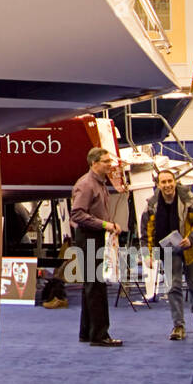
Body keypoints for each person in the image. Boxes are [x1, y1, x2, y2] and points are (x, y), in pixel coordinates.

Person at [141, 169, 193, 339]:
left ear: (175, 181)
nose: (167, 185)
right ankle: (178, 326)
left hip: (191, 248)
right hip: (168, 250)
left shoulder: (190, 199)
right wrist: (147, 254)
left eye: (170, 181)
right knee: (173, 287)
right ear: (158, 184)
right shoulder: (152, 204)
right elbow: (145, 232)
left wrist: (191, 239)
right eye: (163, 182)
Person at [69, 147, 123, 347]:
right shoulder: (86, 184)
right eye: (106, 161)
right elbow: (77, 214)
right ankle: (100, 335)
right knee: (96, 287)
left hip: (96, 237)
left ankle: (87, 332)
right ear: (94, 163)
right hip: (89, 237)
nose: (110, 164)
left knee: (91, 287)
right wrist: (105, 224)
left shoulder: (99, 183)